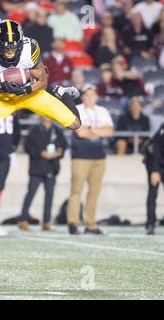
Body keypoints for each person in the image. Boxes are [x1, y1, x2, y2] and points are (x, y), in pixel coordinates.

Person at [0, 20, 81, 132]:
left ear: (20, 43)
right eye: (6, 48)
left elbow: (43, 81)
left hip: (31, 94)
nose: (10, 52)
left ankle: (62, 93)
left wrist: (24, 89)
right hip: (4, 98)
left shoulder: (30, 48)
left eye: (13, 47)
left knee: (75, 124)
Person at [67, 84, 114, 235]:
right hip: (81, 156)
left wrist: (91, 130)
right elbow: (80, 133)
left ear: (96, 96)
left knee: (94, 192)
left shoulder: (103, 111)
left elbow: (110, 131)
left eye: (92, 95)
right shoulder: (78, 109)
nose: (89, 98)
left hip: (99, 157)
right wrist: (98, 131)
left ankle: (91, 223)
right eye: (86, 95)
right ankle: (73, 222)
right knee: (76, 190)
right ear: (83, 96)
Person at [18, 116, 68, 231]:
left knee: (49, 196)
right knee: (30, 194)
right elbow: (27, 147)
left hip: (51, 167)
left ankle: (46, 222)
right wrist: (40, 153)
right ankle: (23, 219)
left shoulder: (57, 131)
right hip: (37, 168)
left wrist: (60, 152)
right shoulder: (34, 130)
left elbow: (64, 145)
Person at [143, 123, 164, 235]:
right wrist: (155, 171)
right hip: (154, 161)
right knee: (153, 192)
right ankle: (150, 224)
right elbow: (156, 148)